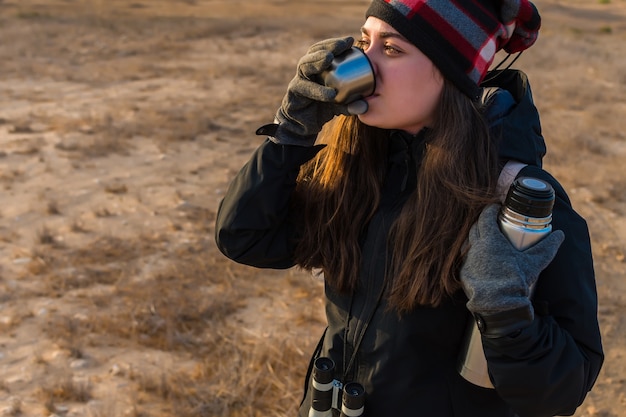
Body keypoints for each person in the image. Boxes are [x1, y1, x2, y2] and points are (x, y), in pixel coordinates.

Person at [215, 0, 604, 416]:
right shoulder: (364, 162)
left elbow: (563, 389)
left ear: (451, 75)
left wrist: (504, 308)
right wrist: (290, 136)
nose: (363, 64)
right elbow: (246, 239)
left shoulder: (518, 199)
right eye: (364, 42)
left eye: (392, 49)